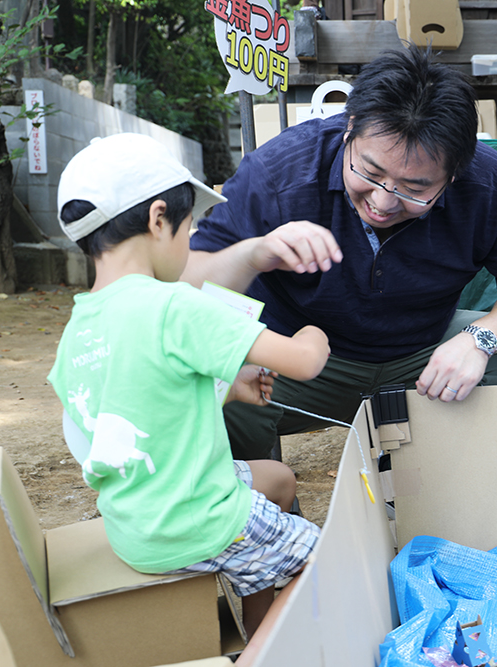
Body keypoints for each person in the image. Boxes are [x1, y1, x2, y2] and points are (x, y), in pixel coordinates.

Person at [183, 44, 497, 461]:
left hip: (423, 351)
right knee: (208, 373)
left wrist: (479, 340)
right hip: (299, 361)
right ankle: (263, 508)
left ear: (455, 171)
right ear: (350, 128)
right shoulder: (280, 172)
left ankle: (473, 482)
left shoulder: (492, 185)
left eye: (415, 188)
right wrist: (254, 253)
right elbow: (188, 277)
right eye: (369, 173)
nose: (384, 203)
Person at [47, 133, 330, 660]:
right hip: (202, 522)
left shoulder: (79, 331)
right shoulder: (175, 306)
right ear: (159, 218)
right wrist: (317, 331)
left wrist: (228, 388)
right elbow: (305, 361)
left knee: (278, 480)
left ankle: (257, 618)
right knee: (330, 557)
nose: (193, 239)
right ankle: (258, 658)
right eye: (190, 227)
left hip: (138, 526)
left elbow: (136, 417)